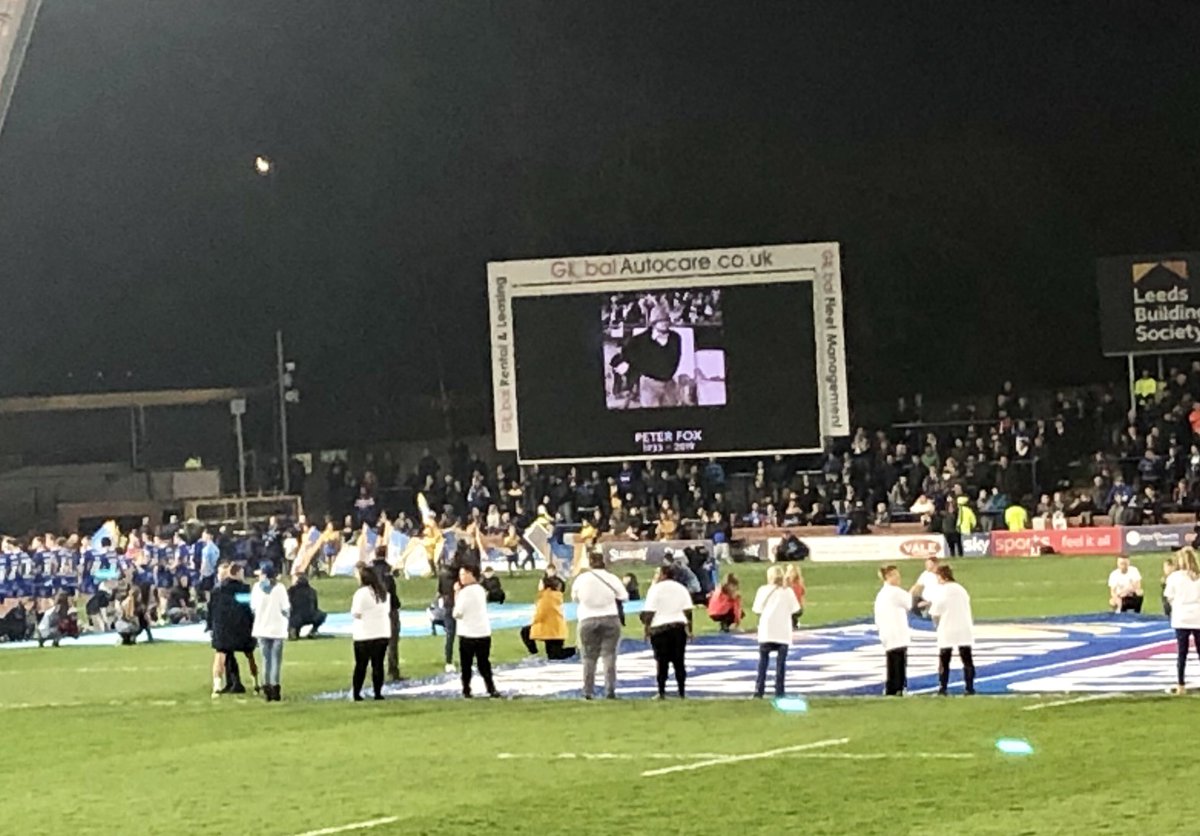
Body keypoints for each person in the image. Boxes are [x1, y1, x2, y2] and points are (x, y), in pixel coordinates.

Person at [570, 551, 629, 700]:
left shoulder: (581, 579)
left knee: (589, 658)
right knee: (609, 656)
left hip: (587, 618)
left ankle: (588, 691)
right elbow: (624, 596)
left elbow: (575, 598)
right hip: (610, 617)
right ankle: (610, 690)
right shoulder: (612, 578)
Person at [641, 564, 694, 699]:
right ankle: (681, 691)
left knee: (662, 662)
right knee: (679, 661)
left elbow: (649, 612)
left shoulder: (655, 589)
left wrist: (647, 629)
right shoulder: (681, 588)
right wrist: (690, 629)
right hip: (678, 626)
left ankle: (661, 691)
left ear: (664, 574)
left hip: (660, 629)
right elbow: (688, 610)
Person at [208, 562, 259, 697]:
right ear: (236, 573)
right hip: (242, 628)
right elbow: (247, 609)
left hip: (223, 629)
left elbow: (211, 610)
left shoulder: (217, 590)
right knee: (250, 656)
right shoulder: (244, 589)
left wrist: (210, 627)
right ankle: (256, 683)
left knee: (220, 656)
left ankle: (216, 687)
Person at [751, 565, 801, 699]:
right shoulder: (788, 592)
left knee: (763, 662)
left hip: (767, 630)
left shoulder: (763, 590)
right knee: (781, 664)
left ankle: (759, 690)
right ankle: (779, 691)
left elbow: (757, 609)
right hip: (783, 631)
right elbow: (795, 609)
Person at [453, 564, 500, 698]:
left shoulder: (464, 593)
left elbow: (457, 613)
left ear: (471, 574)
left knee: (466, 665)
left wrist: (456, 593)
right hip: (483, 632)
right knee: (484, 663)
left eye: (463, 574)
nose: (461, 578)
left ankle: (466, 690)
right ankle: (490, 688)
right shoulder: (480, 590)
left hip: (468, 633)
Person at [929, 565, 975, 696]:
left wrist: (936, 626)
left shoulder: (942, 591)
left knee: (944, 660)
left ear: (941, 576)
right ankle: (969, 687)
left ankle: (942, 688)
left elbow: (935, 612)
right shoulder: (961, 589)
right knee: (967, 659)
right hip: (964, 627)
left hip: (947, 627)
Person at [350, 561, 391, 701]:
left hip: (364, 634)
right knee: (378, 665)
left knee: (361, 665)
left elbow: (356, 613)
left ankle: (357, 693)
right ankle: (377, 693)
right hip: (382, 633)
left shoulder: (361, 594)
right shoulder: (384, 593)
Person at [250, 562, 290, 702]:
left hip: (261, 628)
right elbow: (286, 608)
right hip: (277, 629)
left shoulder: (256, 588)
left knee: (265, 660)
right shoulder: (280, 589)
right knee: (276, 661)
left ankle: (266, 687)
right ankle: (275, 687)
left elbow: (253, 608)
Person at [1165, 547, 1200, 695]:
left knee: (1182, 652)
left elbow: (1169, 596)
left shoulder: (1174, 577)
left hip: (1181, 617)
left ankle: (1181, 684)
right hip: (1198, 616)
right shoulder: (1198, 577)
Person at [521, 565, 575, 659]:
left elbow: (540, 614)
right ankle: (575, 651)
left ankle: (533, 652)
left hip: (550, 630)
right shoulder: (555, 596)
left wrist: (534, 622)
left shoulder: (546, 597)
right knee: (554, 654)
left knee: (525, 632)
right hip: (553, 629)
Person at [873, 565, 911, 696]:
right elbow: (909, 602)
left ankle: (892, 688)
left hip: (888, 632)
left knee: (892, 660)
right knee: (899, 661)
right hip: (896, 631)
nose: (898, 577)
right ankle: (898, 687)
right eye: (895, 575)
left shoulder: (882, 594)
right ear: (888, 577)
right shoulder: (894, 592)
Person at [371, 545, 402, 681]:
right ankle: (393, 670)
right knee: (392, 642)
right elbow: (390, 591)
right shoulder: (388, 571)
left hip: (374, 610)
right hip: (389, 610)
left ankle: (376, 670)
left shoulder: (371, 572)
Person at [287, 573, 327, 639]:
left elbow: (287, 605)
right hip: (311, 616)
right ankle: (313, 631)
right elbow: (315, 606)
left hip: (296, 618)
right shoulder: (312, 591)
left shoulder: (291, 591)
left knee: (291, 617)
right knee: (322, 614)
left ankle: (293, 630)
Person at [783, 565, 806, 629]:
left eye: (790, 571)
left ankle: (793, 624)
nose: (789, 573)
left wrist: (802, 606)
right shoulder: (787, 583)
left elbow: (802, 596)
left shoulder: (797, 584)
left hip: (795, 608)